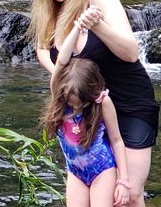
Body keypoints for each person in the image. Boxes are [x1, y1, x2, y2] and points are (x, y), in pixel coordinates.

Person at [29, 0, 159, 207]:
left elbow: (131, 53)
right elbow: (43, 48)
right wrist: (62, 77)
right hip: (84, 110)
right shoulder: (49, 4)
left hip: (129, 103)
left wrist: (97, 26)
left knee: (129, 193)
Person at [42, 27, 131, 207]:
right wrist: (76, 28)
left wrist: (123, 181)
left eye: (81, 104)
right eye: (71, 103)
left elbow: (117, 141)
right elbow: (60, 63)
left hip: (102, 169)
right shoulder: (59, 98)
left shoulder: (102, 102)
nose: (75, 108)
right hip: (75, 172)